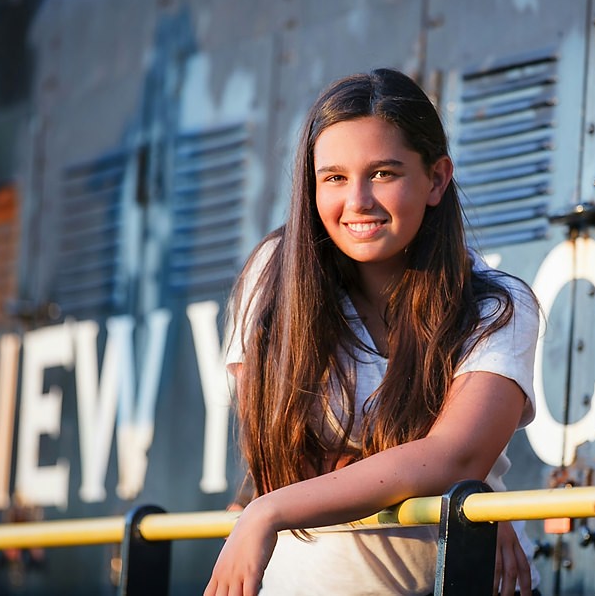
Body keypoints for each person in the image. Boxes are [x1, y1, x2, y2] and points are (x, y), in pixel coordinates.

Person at [205, 68, 541, 596]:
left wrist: (269, 509)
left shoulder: (496, 303)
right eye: (333, 177)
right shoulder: (273, 277)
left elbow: (456, 455)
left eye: (384, 173)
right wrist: (431, 477)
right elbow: (279, 458)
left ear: (436, 179)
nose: (357, 200)